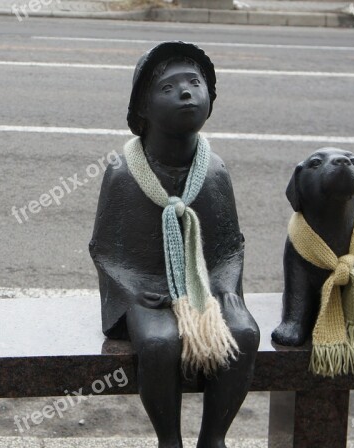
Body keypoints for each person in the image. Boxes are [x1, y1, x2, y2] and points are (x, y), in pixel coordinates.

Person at [89, 41, 260, 448]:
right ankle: (169, 439)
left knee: (243, 332)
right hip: (144, 286)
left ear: (210, 99)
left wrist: (227, 288)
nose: (186, 92)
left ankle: (213, 438)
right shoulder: (123, 173)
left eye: (194, 83)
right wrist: (132, 290)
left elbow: (230, 246)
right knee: (159, 342)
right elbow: (105, 250)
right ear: (143, 108)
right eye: (168, 87)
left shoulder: (214, 172)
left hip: (205, 283)